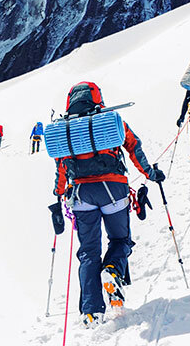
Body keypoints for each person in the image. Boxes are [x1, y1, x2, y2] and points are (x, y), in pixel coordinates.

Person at [50, 81, 164, 326]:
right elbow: (133, 146)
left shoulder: (65, 129)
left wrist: (59, 193)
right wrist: (150, 174)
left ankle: (91, 312)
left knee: (88, 252)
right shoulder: (110, 121)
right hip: (113, 190)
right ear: (97, 98)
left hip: (81, 194)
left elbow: (61, 166)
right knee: (121, 240)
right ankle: (112, 271)